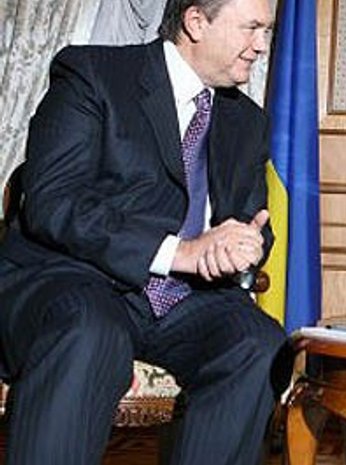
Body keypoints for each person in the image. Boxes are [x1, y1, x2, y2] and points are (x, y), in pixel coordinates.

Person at [0, 0, 291, 463]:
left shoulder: (247, 122)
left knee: (261, 344)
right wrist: (180, 252)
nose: (261, 46)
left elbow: (249, 222)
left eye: (266, 31)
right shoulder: (93, 75)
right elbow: (53, 202)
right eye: (252, 28)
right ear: (196, 22)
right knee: (91, 329)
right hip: (79, 280)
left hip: (187, 301)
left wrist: (245, 247)